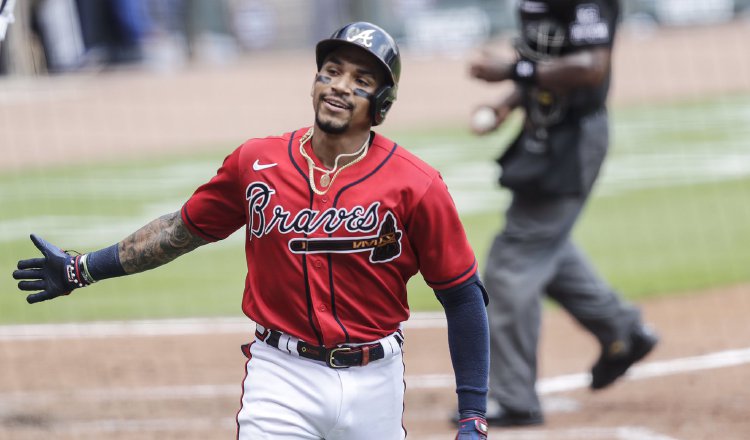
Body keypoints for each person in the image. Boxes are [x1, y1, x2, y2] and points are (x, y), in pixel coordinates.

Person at [12, 22, 490, 440]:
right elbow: (181, 230)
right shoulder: (257, 163)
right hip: (281, 376)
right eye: (332, 71)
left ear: (382, 103)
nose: (340, 86)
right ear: (315, 81)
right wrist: (82, 269)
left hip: (375, 382)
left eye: (361, 80)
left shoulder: (416, 184)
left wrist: (473, 415)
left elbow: (462, 295)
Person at [467, 0, 658, 427]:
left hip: (572, 140)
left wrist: (511, 73)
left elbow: (591, 66)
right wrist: (510, 101)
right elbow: (545, 57)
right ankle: (623, 331)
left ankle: (516, 400)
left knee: (512, 262)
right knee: (543, 247)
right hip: (545, 132)